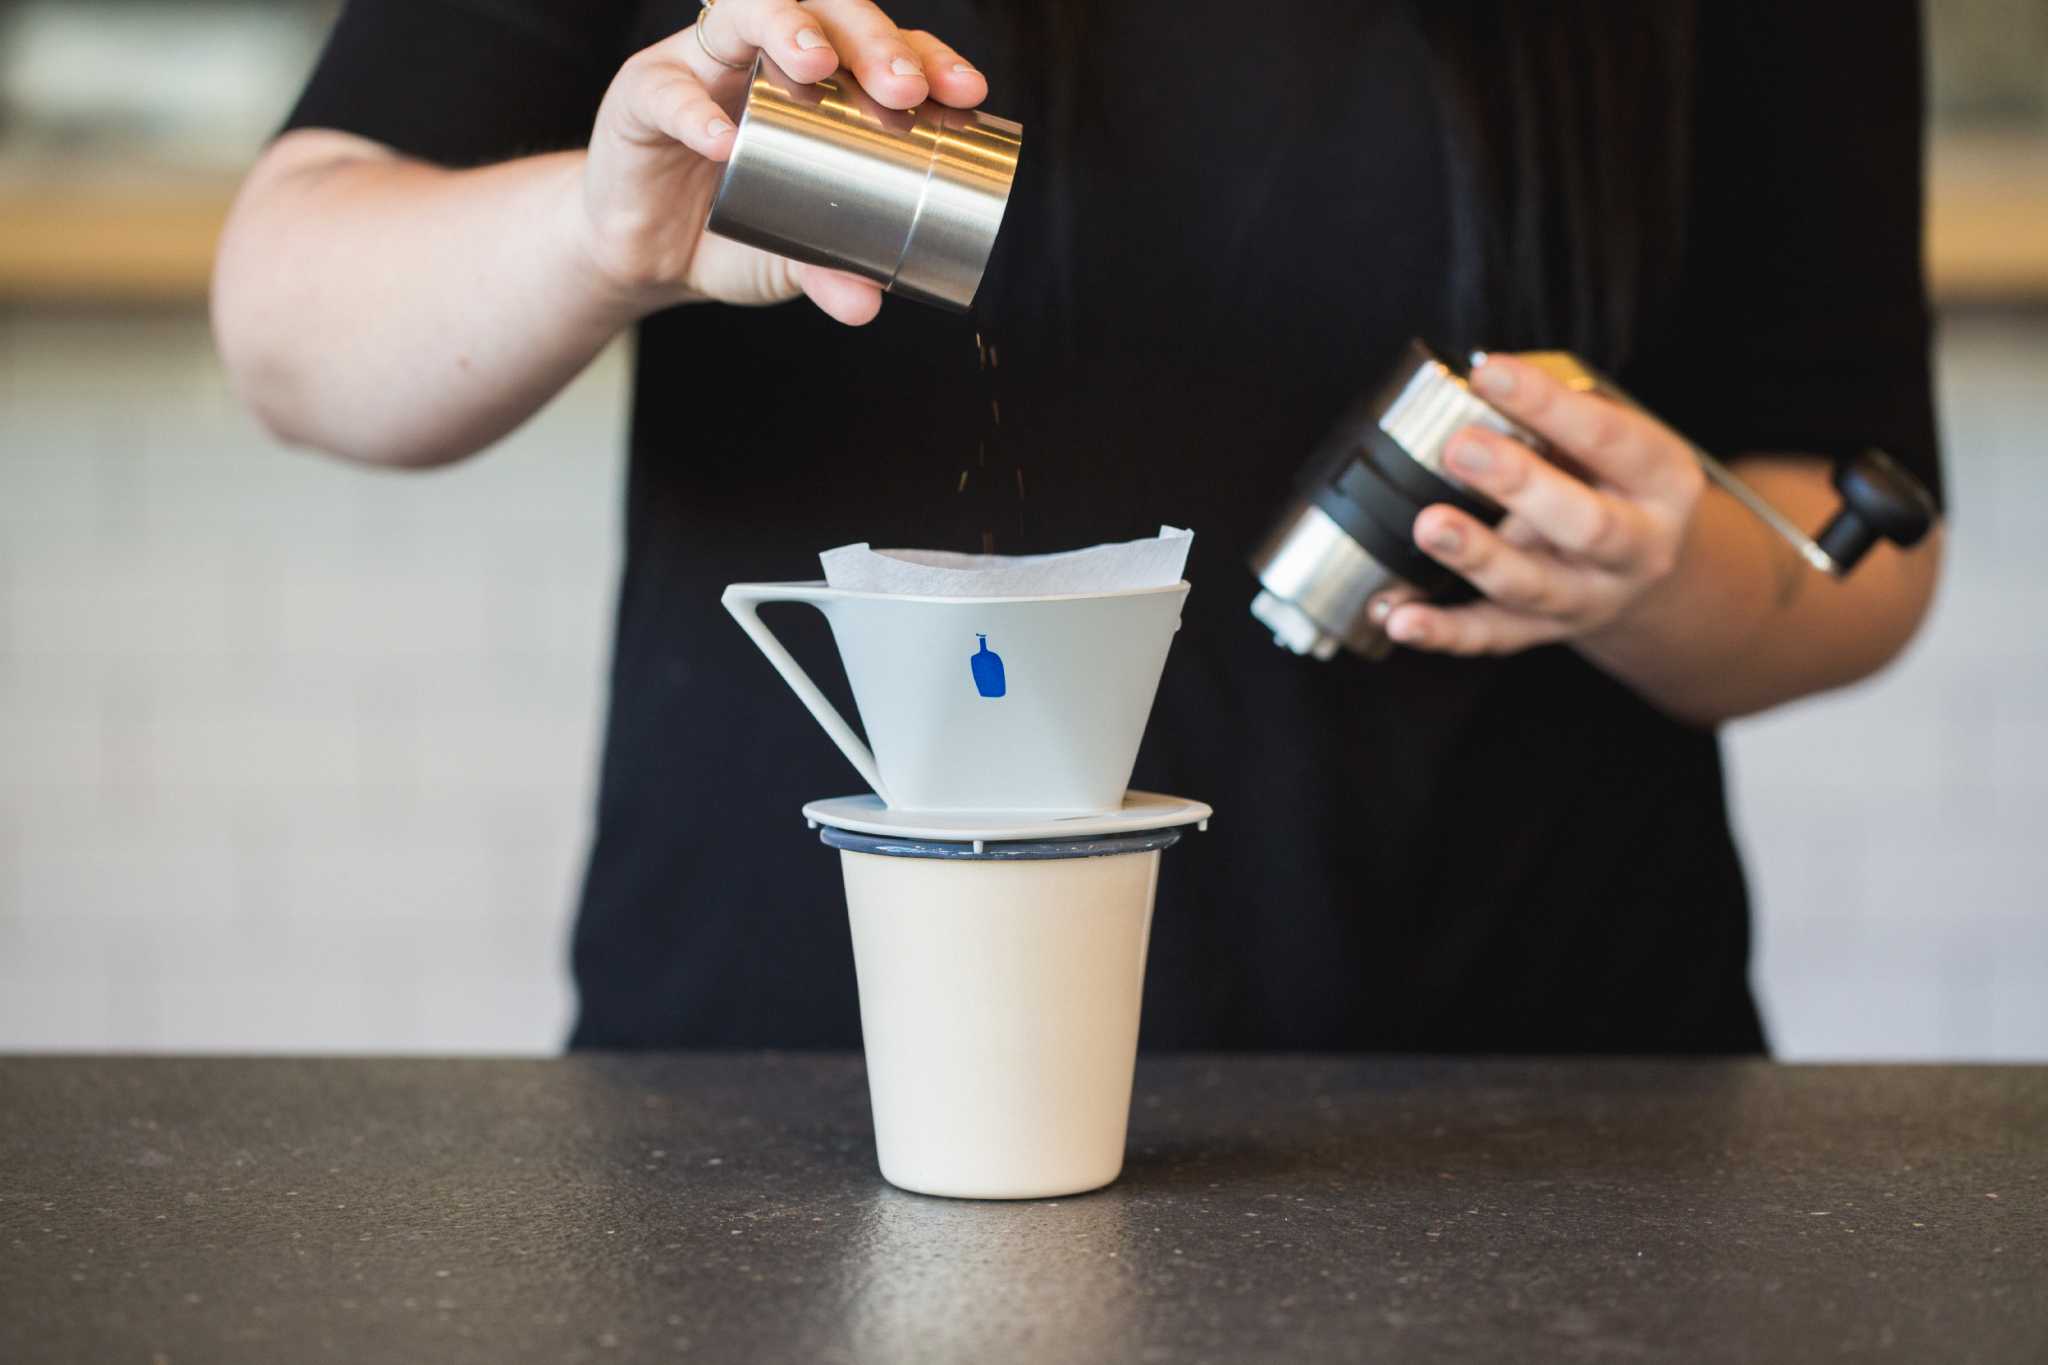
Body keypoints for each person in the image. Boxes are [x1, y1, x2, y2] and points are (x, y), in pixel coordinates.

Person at [213, 0, 1944, 1053]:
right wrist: (606, 230)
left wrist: (1671, 570)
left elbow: (1863, 533)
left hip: (1528, 1108)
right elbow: (290, 317)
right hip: (792, 1091)